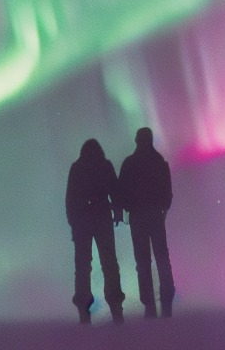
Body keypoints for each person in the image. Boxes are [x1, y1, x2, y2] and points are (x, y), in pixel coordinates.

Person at [66, 138, 125, 324]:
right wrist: (117, 212)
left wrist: (73, 223)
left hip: (82, 222)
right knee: (109, 263)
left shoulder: (77, 168)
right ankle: (115, 305)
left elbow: (70, 199)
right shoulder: (104, 165)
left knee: (83, 266)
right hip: (102, 217)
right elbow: (115, 190)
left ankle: (84, 309)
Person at [118, 127, 175, 318]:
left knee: (142, 261)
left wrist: (127, 208)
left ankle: (148, 302)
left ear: (137, 140)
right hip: (156, 214)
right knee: (162, 257)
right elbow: (167, 190)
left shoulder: (129, 163)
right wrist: (163, 208)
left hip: (137, 216)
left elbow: (121, 191)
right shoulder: (159, 162)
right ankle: (167, 298)